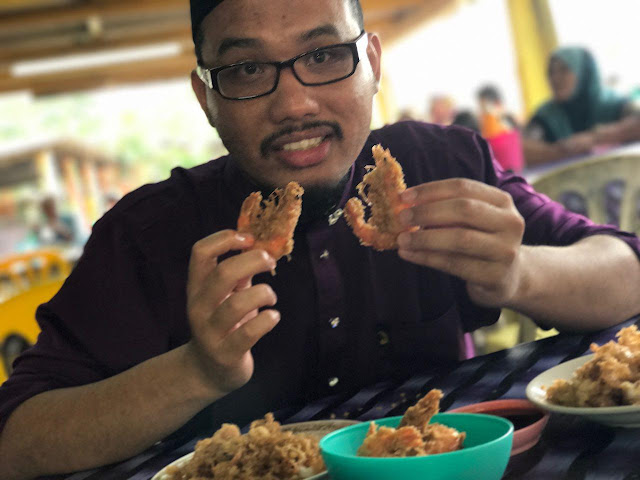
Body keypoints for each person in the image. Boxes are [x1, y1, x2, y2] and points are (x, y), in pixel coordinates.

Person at [1, 2, 639, 478]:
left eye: (325, 55)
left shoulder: (441, 161)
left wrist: (521, 274)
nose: (295, 103)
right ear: (206, 97)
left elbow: (625, 268)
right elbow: (16, 438)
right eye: (248, 68)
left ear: (374, 64)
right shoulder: (145, 234)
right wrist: (197, 371)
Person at [523, 46, 640, 166]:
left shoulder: (612, 103)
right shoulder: (546, 115)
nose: (555, 78)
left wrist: (594, 138)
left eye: (564, 70)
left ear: (584, 73)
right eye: (551, 72)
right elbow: (522, 149)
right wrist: (563, 150)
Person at [476, 85, 524, 173]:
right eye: (480, 108)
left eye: (483, 108)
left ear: (497, 104)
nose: (481, 114)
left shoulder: (509, 124)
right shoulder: (484, 130)